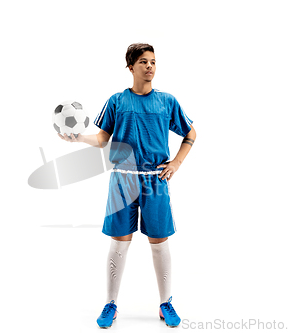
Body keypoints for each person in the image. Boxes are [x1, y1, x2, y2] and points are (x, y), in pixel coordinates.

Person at [58, 43, 196, 328]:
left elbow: (191, 133)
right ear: (130, 67)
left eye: (154, 62)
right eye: (144, 62)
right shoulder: (117, 101)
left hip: (155, 181)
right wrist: (78, 137)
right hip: (122, 179)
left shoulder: (167, 101)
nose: (150, 66)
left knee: (159, 243)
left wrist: (176, 164)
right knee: (120, 244)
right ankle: (110, 304)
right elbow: (101, 139)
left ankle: (166, 302)